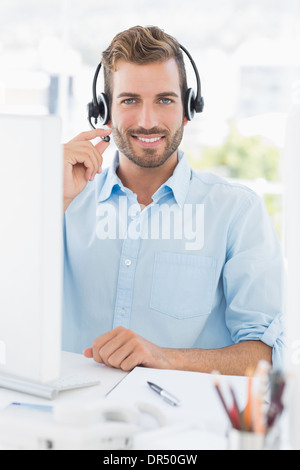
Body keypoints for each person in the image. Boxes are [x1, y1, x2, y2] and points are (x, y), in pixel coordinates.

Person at [63, 25, 284, 376]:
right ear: (104, 110)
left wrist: (164, 357)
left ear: (188, 108)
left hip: (182, 427)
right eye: (129, 100)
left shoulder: (236, 213)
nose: (147, 121)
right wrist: (50, 201)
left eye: (165, 100)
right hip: (68, 424)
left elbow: (266, 356)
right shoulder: (64, 202)